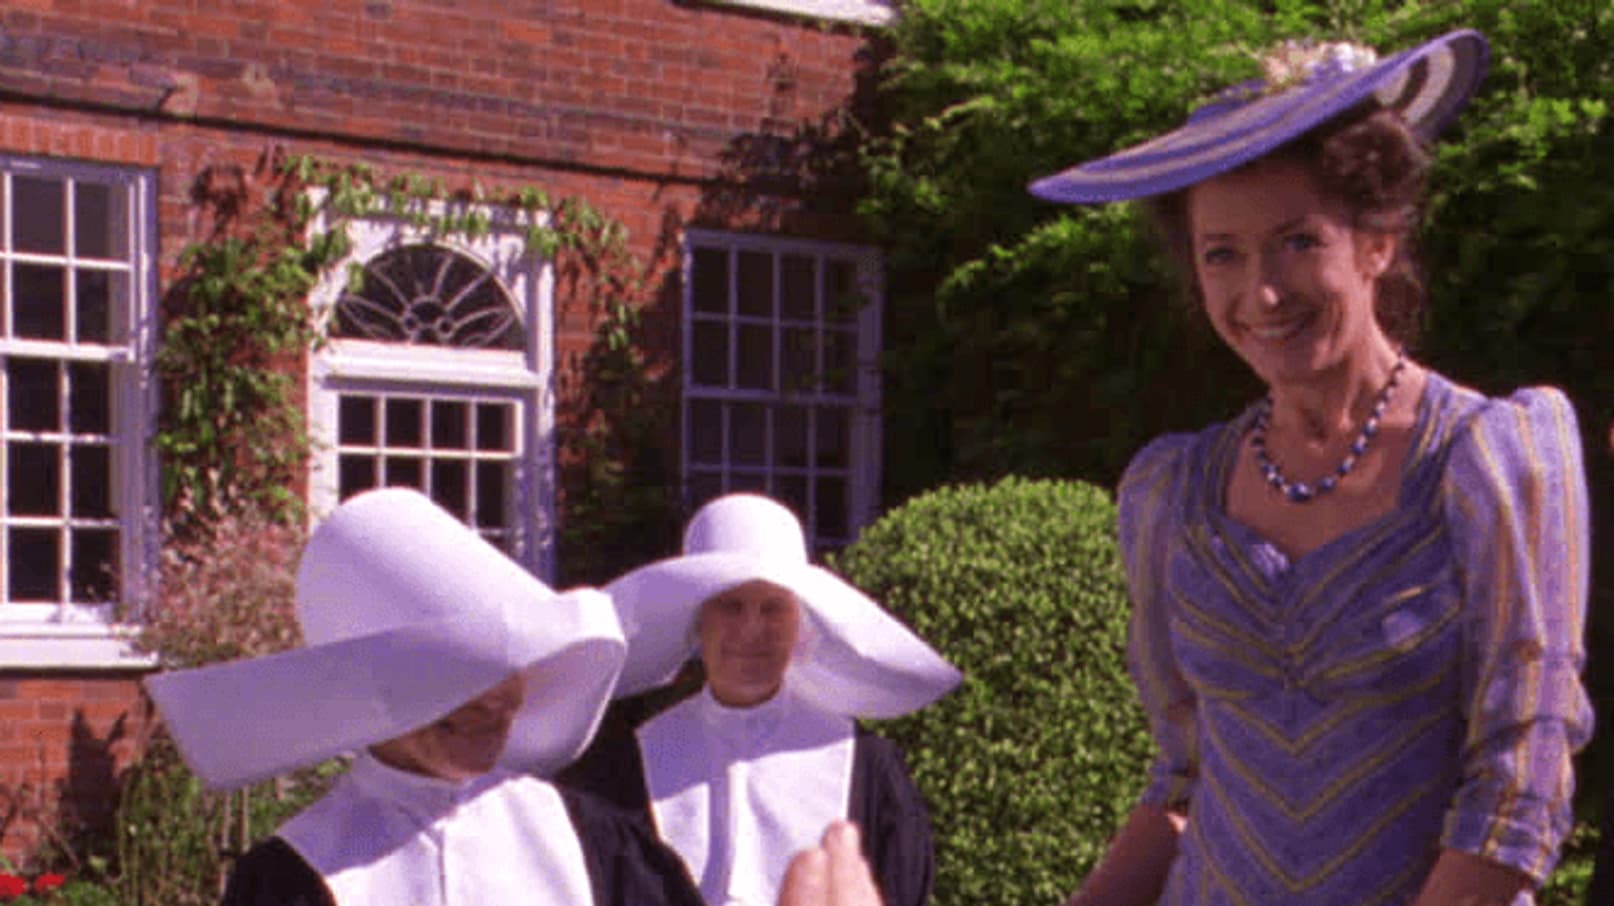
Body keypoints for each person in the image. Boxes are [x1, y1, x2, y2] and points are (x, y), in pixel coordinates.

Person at [1027, 30, 1592, 906]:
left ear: (1378, 239)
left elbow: (1520, 793)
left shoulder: (1488, 458)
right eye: (1221, 254)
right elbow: (1183, 781)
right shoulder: (1174, 493)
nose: (1261, 293)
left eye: (1296, 242)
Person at [144, 488, 705, 906]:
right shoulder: (297, 875)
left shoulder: (594, 843)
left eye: (506, 672)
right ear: (377, 696)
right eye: (457, 681)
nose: (492, 702)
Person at [562, 492, 961, 906]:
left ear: (798, 623)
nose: (752, 630)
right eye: (731, 606)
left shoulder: (869, 768)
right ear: (698, 622)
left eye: (772, 608)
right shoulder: (630, 766)